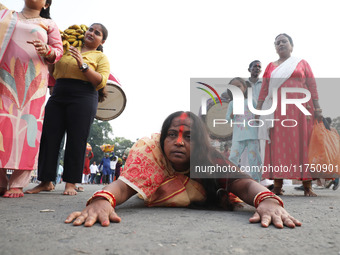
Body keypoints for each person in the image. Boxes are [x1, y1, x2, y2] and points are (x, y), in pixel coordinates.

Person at [65, 111, 301, 229]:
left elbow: (244, 184)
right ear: (163, 139)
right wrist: (102, 201)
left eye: (188, 137)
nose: (178, 142)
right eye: (172, 135)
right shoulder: (151, 153)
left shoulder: (209, 159)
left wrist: (268, 201)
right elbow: (125, 187)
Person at [26, 23, 110, 195]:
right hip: (60, 92)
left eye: (97, 33)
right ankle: (46, 181)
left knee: (76, 139)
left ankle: (71, 183)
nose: (92, 33)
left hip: (84, 95)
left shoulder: (101, 58)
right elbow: (54, 69)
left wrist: (83, 64)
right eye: (90, 29)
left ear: (103, 40)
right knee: (50, 136)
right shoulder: (68, 47)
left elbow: (100, 81)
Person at [0, 0, 63, 198]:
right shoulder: (8, 16)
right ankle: (1, 181)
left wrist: (47, 51)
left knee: (28, 128)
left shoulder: (49, 24)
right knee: (2, 126)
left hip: (33, 81)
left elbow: (58, 51)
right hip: (5, 77)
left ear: (46, 4)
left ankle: (18, 183)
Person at [256, 33, 322, 196]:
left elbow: (312, 85)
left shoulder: (301, 63)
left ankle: (307, 186)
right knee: (277, 145)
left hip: (301, 109)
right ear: (275, 48)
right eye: (277, 43)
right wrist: (258, 110)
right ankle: (277, 185)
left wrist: (318, 108)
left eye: (284, 41)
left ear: (292, 45)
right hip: (277, 110)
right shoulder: (271, 67)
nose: (280, 44)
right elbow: (265, 88)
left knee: (303, 144)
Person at [226, 78, 262, 182]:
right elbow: (228, 119)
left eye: (239, 87)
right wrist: (233, 112)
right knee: (233, 157)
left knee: (254, 159)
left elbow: (258, 115)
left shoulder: (251, 100)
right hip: (238, 136)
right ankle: (232, 180)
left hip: (252, 135)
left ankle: (257, 181)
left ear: (245, 88)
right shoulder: (232, 103)